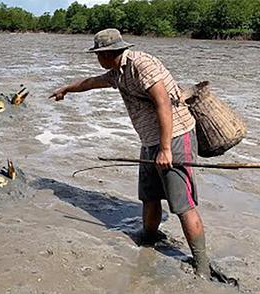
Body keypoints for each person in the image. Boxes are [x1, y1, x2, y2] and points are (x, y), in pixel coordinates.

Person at [49, 28, 210, 278]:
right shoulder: (118, 73)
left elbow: (163, 103)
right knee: (149, 195)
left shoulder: (141, 65)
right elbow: (92, 83)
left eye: (98, 54)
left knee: (182, 204)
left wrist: (166, 149)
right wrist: (66, 89)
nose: (97, 59)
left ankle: (202, 266)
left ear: (107, 53)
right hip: (150, 141)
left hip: (176, 136)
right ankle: (148, 238)